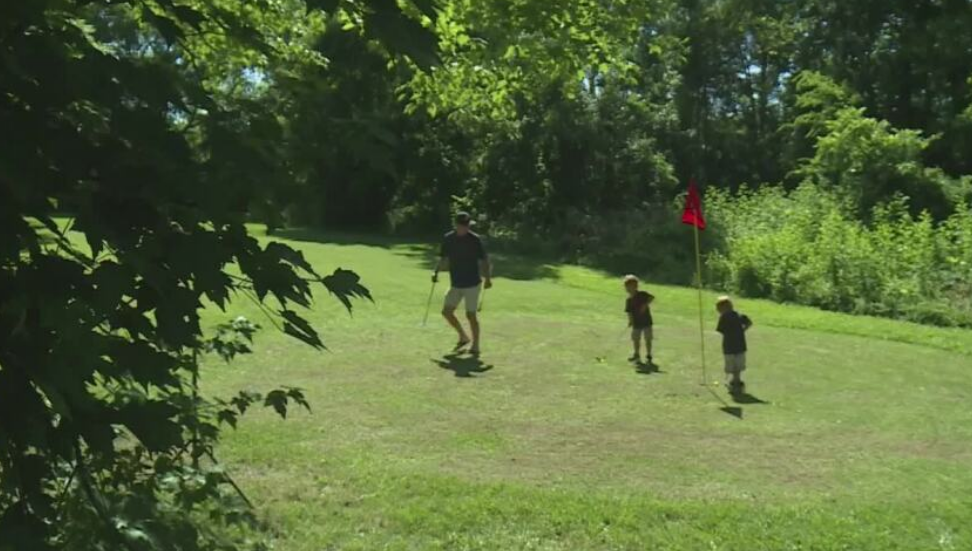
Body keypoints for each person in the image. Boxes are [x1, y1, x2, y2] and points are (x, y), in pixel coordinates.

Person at [435, 212, 492, 355]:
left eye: (466, 226)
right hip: (456, 282)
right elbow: (443, 258)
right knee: (447, 312)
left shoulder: (474, 240)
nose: (464, 228)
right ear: (456, 225)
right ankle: (463, 336)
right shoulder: (449, 239)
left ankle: (476, 345)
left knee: (471, 315)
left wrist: (488, 279)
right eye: (462, 226)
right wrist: (436, 272)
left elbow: (484, 260)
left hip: (472, 283)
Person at [716, 296, 753, 393]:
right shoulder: (739, 315)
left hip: (728, 345)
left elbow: (721, 330)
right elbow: (749, 323)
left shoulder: (723, 317)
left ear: (723, 308)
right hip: (740, 345)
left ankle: (735, 382)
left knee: (731, 365)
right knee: (738, 364)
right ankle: (736, 381)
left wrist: (729, 333)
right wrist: (743, 330)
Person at [623, 275, 655, 365]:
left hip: (646, 321)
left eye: (630, 287)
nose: (628, 289)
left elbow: (651, 298)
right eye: (627, 287)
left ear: (635, 286)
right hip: (636, 322)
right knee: (636, 339)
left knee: (648, 338)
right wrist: (630, 320)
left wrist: (645, 305)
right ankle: (636, 354)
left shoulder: (642, 294)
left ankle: (648, 354)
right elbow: (629, 312)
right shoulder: (629, 300)